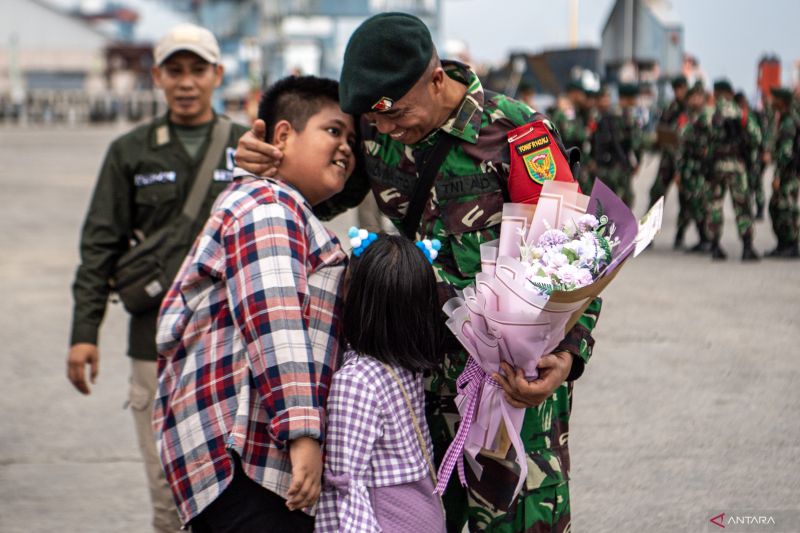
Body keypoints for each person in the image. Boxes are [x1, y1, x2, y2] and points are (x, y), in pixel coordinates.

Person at [236, 12, 601, 533]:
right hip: (419, 387)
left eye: (394, 113)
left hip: (512, 389)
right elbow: (310, 198)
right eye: (372, 119)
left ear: (436, 79)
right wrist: (265, 163)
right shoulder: (376, 129)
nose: (382, 129)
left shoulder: (518, 135)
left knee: (521, 522)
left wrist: (568, 355)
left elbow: (580, 257)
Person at [152, 75, 357, 531]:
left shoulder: (279, 205)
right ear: (283, 135)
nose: (346, 147)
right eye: (333, 130)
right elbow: (275, 318)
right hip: (247, 459)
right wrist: (303, 433)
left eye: (352, 139)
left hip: (243, 455)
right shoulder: (269, 204)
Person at [65, 23, 248, 532]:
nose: (186, 82)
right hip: (155, 348)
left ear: (217, 74)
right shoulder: (131, 151)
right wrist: (85, 334)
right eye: (175, 71)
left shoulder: (247, 146)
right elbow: (99, 245)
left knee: (237, 488)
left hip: (232, 345)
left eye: (197, 70)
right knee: (169, 496)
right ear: (157, 77)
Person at [315, 234, 447, 533]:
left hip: (384, 515)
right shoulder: (408, 364)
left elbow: (345, 485)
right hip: (424, 509)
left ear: (358, 301)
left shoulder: (356, 381)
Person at [703, 79, 759, 261]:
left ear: (716, 92)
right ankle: (747, 247)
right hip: (737, 166)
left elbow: (699, 139)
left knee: (715, 205)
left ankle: (714, 246)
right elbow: (755, 136)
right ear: (730, 92)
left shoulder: (709, 113)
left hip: (716, 166)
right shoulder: (740, 112)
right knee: (742, 205)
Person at [650, 76, 688, 247]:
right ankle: (647, 235)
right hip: (667, 159)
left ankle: (682, 235)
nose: (678, 92)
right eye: (676, 89)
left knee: (687, 199)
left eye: (681, 88)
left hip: (685, 161)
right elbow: (662, 128)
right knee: (656, 195)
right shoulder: (670, 108)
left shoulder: (690, 109)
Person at [765, 87, 800, 258]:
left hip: (789, 174)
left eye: (775, 99)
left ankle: (791, 245)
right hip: (788, 172)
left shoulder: (788, 122)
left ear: (782, 102)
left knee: (787, 209)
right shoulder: (785, 119)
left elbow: (786, 153)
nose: (772, 102)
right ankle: (783, 244)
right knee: (776, 208)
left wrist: (778, 175)